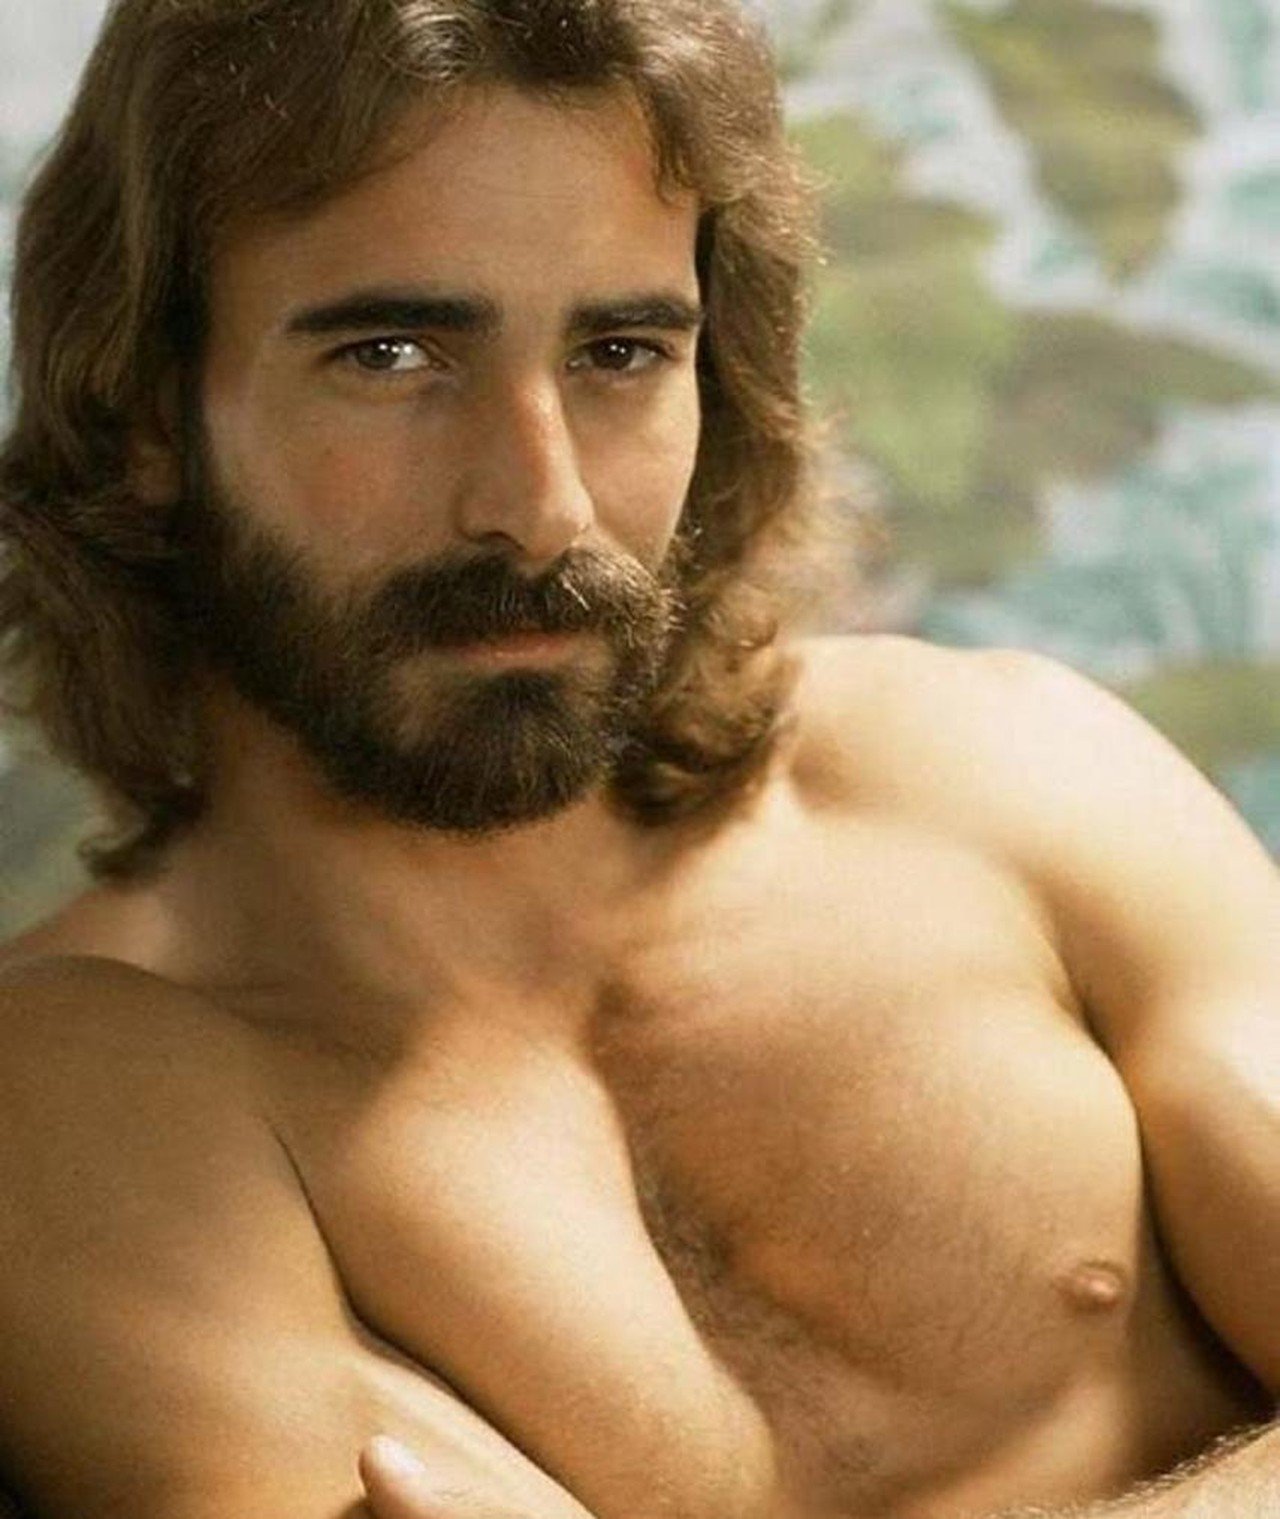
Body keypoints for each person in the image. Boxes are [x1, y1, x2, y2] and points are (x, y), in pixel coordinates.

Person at [0, 1, 1276, 1515]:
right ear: (149, 412)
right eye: (392, 354)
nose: (541, 505)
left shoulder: (1008, 779)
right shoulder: (76, 1102)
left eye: (620, 351)